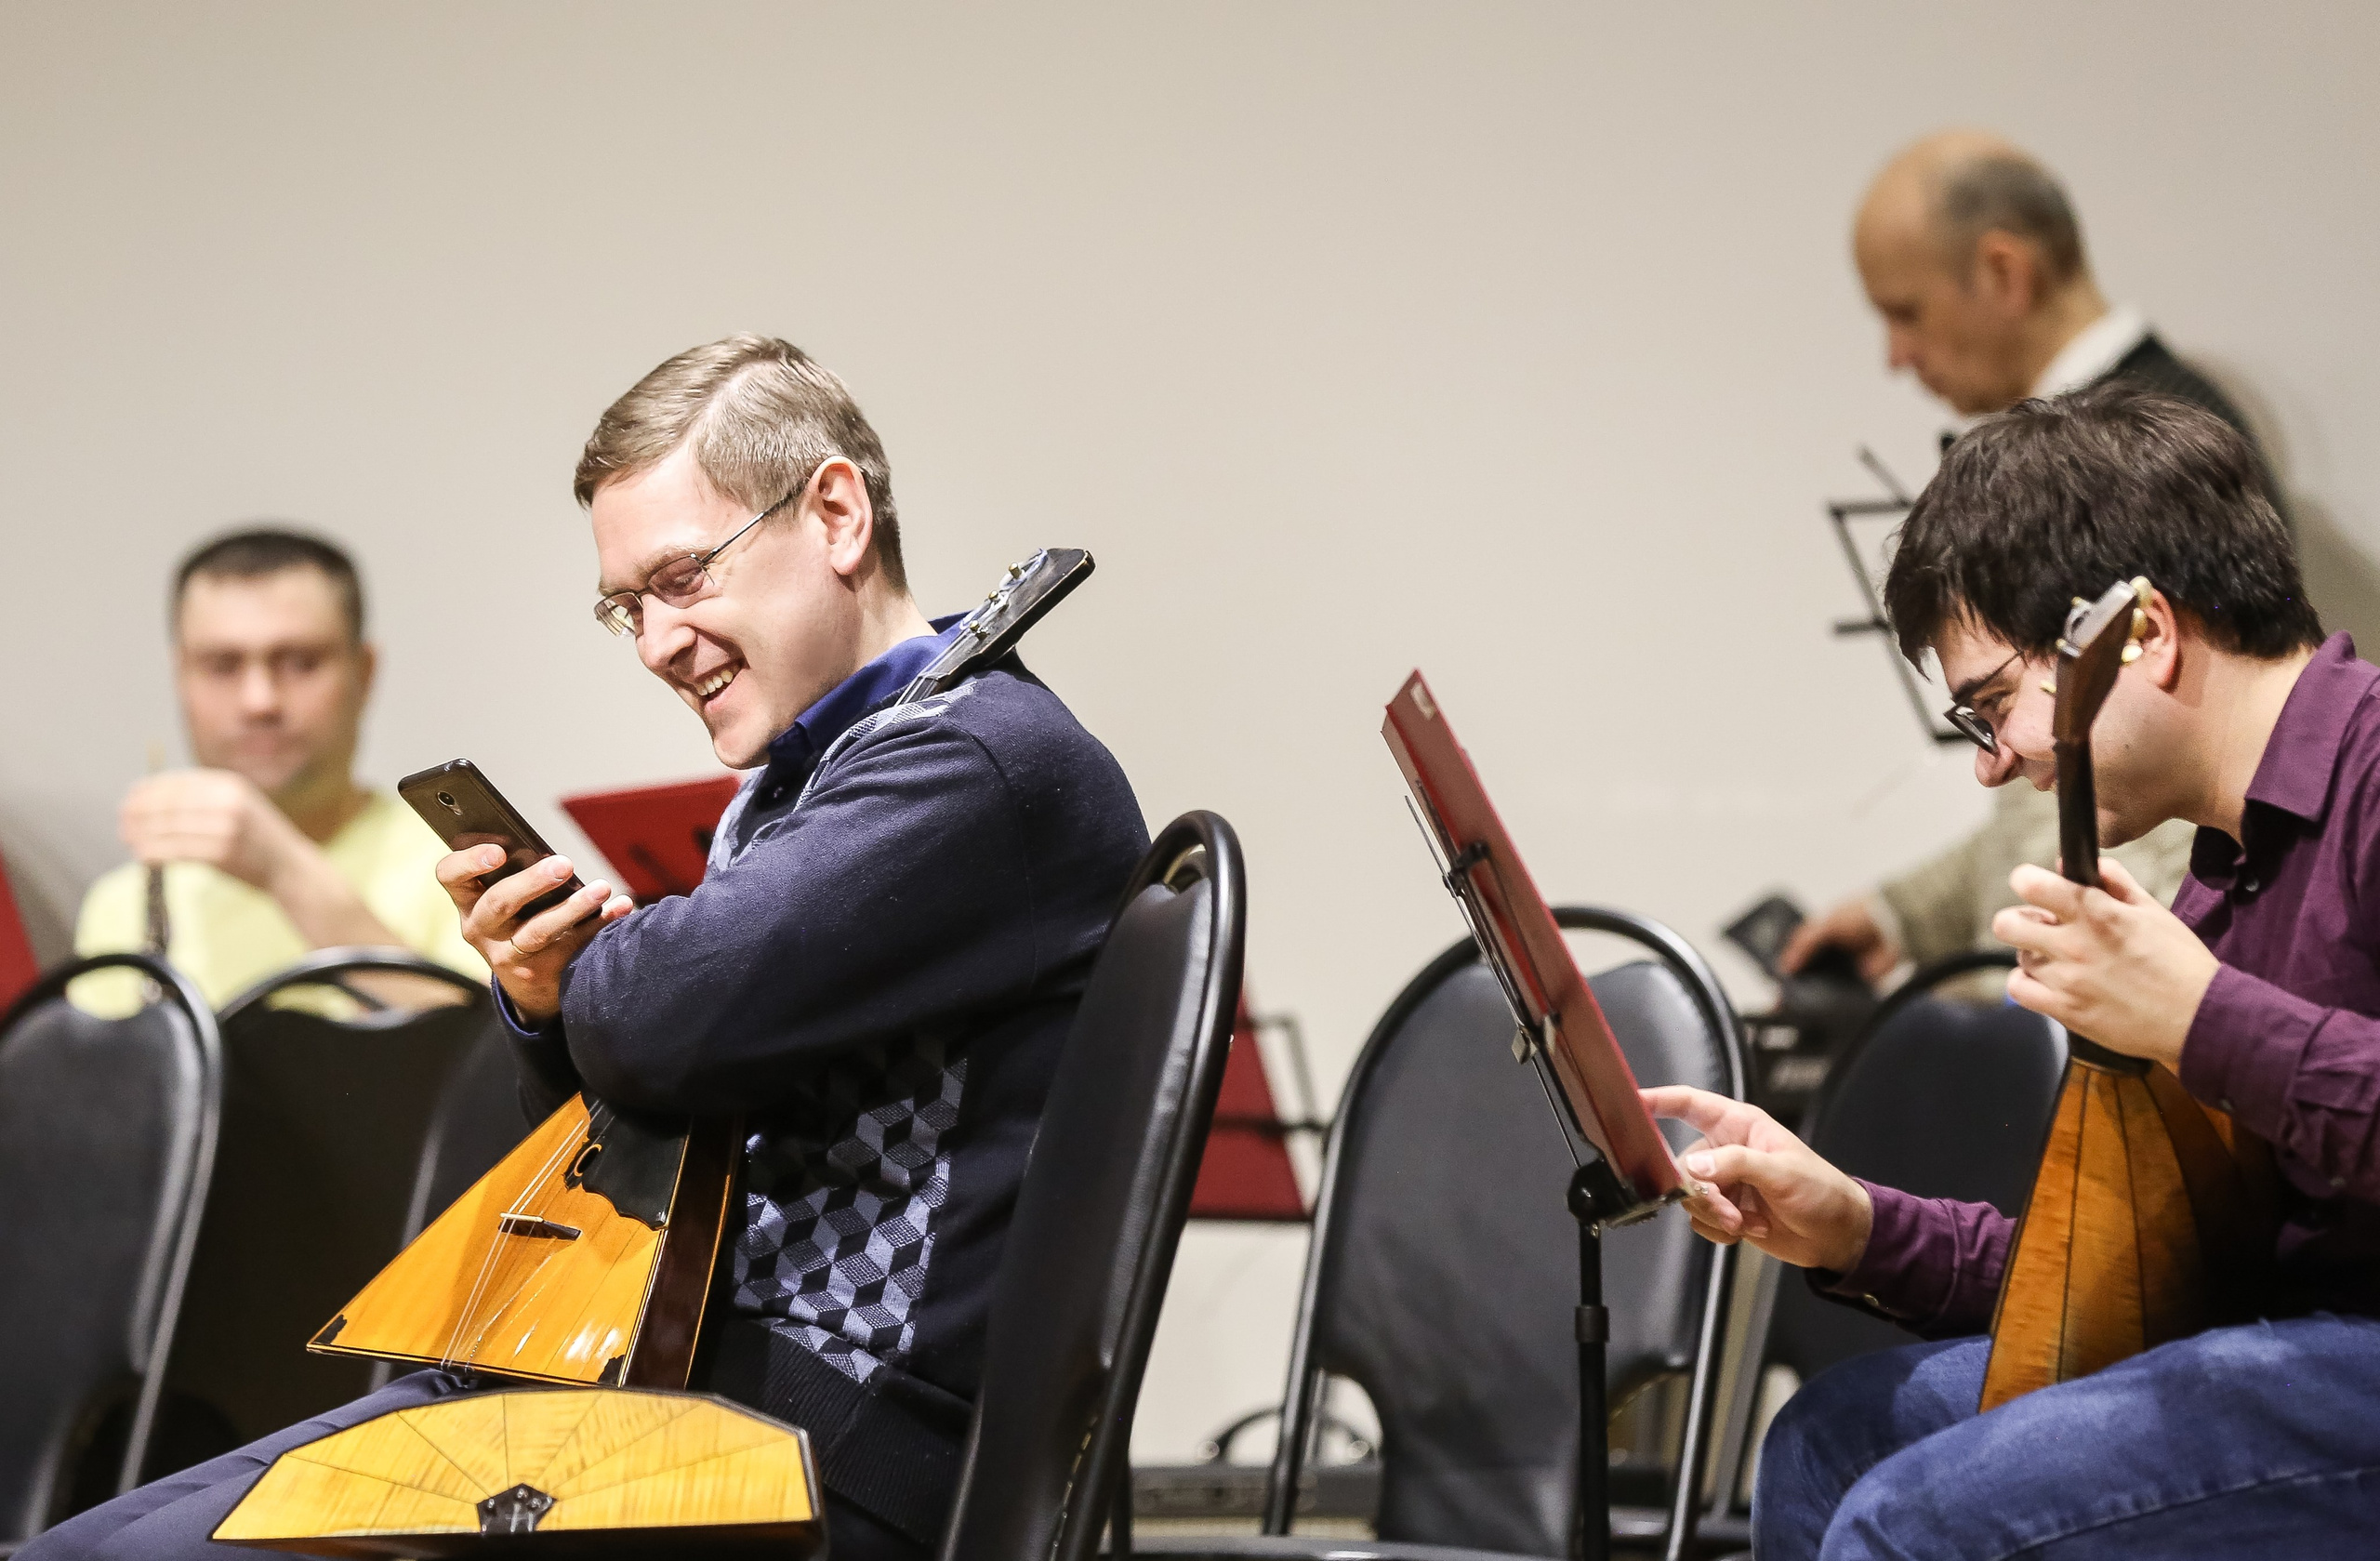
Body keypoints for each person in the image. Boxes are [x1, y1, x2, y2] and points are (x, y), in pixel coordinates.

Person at [27, 337, 1148, 1561]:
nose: (657, 642)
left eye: (683, 577)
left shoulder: (974, 759)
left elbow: (660, 1021)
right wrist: (542, 990)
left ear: (835, 513)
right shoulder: (812, 777)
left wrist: (593, 983)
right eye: (628, 605)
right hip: (666, 1391)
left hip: (816, 1441)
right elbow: (637, 1111)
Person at [1655, 384, 2380, 1557]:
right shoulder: (2217, 885)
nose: (1992, 766)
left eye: (1992, 705)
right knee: (1833, 1440)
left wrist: (2200, 1017)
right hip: (2281, 1347)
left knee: (1913, 1519)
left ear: (2140, 635)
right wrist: (1855, 1226)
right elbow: (2118, 1280)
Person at [1783, 129, 2278, 985]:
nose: (1896, 355)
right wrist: (1910, 911)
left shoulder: (2135, 456)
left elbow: (2151, 796)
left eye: (1906, 312)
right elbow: (2053, 764)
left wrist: (2026, 1010)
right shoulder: (2089, 453)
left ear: (2005, 272)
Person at [72, 529, 483, 1013]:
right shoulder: (120, 903)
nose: (259, 701)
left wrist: (284, 871)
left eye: (300, 663)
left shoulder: (469, 863)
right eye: (222, 665)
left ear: (365, 672)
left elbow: (496, 1054)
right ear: (181, 677)